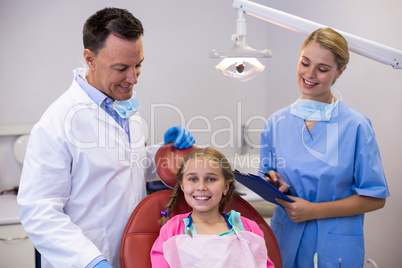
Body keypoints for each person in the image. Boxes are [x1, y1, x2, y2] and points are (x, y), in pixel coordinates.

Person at [17, 7, 195, 268]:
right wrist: (90, 262)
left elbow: (125, 166)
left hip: (131, 251)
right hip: (86, 257)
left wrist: (161, 153)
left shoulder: (124, 107)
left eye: (138, 65)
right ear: (90, 59)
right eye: (121, 68)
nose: (133, 79)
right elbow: (39, 212)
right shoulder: (57, 123)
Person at [259, 27, 390, 268]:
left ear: (340, 72)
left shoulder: (356, 126)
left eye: (322, 69)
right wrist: (274, 184)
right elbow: (267, 178)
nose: (309, 74)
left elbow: (375, 198)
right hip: (285, 237)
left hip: (333, 245)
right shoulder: (276, 123)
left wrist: (314, 211)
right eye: (304, 63)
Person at [150, 147, 275, 268]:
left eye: (211, 179)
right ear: (182, 186)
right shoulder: (172, 230)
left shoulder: (248, 229)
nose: (201, 187)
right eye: (193, 179)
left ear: (226, 186)